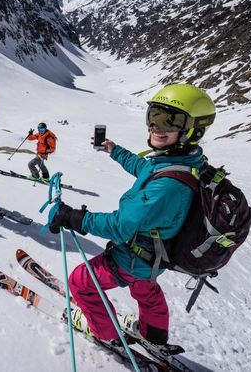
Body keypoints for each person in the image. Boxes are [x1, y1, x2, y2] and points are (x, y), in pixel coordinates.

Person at [48, 83, 216, 346]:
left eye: (169, 119)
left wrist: (73, 217)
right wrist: (114, 151)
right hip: (155, 257)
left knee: (80, 283)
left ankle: (106, 333)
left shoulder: (168, 185)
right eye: (153, 116)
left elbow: (120, 226)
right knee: (144, 286)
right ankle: (154, 334)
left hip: (134, 255)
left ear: (193, 129)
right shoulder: (184, 162)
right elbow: (145, 167)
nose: (156, 127)